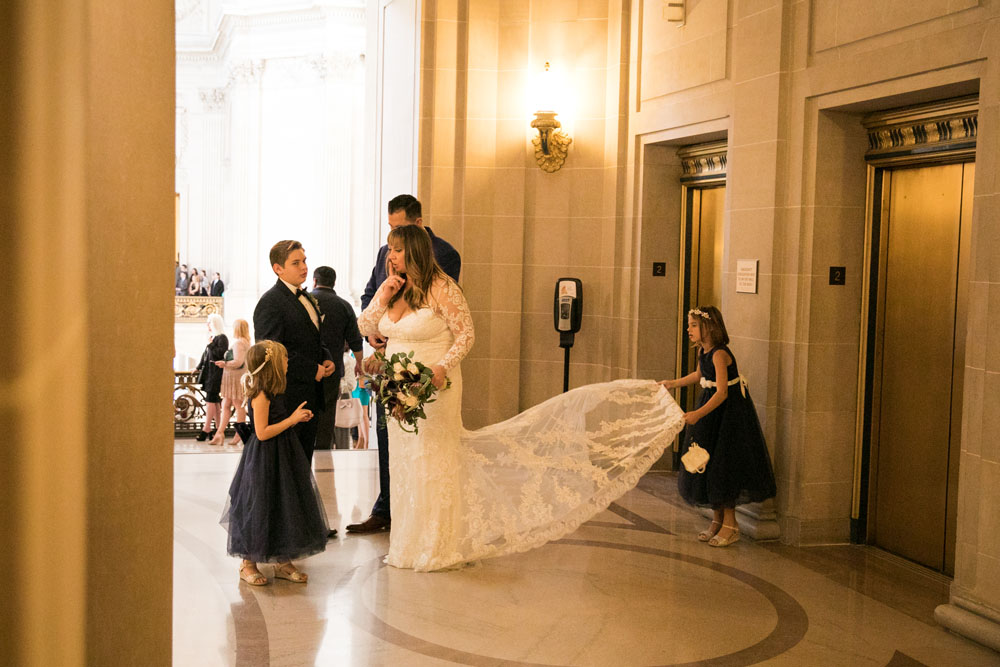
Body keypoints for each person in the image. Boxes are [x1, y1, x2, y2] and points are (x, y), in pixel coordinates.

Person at [356, 224, 685, 571]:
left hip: (435, 388)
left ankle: (437, 545)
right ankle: (408, 544)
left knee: (432, 460)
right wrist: (384, 294)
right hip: (398, 390)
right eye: (389, 250)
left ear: (415, 251)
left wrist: (441, 367)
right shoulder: (391, 289)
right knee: (405, 463)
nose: (389, 256)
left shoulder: (443, 288)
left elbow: (466, 335)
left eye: (396, 249)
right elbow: (365, 327)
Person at [347, 194, 461, 535]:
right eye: (390, 232)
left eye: (399, 232)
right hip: (390, 350)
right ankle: (388, 508)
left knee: (425, 443)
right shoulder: (386, 254)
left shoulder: (445, 255)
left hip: (425, 359)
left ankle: (425, 516)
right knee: (390, 436)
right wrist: (377, 335)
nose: (391, 251)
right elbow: (371, 293)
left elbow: (436, 307)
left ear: (418, 224)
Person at [658, 306, 777, 547]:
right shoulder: (704, 350)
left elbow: (722, 393)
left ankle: (731, 525)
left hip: (728, 413)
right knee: (706, 462)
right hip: (710, 408)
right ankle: (717, 520)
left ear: (708, 327)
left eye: (692, 325)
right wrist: (672, 383)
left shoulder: (720, 354)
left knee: (724, 464)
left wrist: (697, 414)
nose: (688, 329)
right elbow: (697, 375)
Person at [220, 340, 328, 586]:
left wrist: (295, 418)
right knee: (260, 503)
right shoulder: (261, 392)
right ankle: (248, 563)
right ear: (273, 365)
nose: (288, 362)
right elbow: (262, 432)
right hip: (265, 455)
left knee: (284, 503)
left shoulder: (277, 388)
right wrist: (292, 420)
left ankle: (282, 559)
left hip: (283, 452)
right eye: (285, 359)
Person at [253, 240, 337, 538]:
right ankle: (285, 531)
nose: (304, 267)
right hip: (286, 399)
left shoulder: (308, 298)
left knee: (303, 463)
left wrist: (325, 357)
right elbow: (272, 349)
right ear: (278, 269)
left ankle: (303, 525)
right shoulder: (270, 303)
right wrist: (309, 369)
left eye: (304, 261)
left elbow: (314, 339)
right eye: (296, 263)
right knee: (286, 468)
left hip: (310, 395)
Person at [310, 265, 363, 451]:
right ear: (334, 282)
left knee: (304, 409)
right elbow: (356, 341)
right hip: (332, 369)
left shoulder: (305, 301)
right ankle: (323, 450)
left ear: (314, 281)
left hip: (306, 368)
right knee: (327, 413)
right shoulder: (343, 306)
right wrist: (359, 364)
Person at [213, 318, 251, 446]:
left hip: (234, 378)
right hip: (234, 377)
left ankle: (238, 434)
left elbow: (238, 362)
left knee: (237, 404)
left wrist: (224, 363)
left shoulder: (239, 343)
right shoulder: (245, 342)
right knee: (226, 404)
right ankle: (220, 433)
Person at [195, 313, 228, 442]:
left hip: (216, 374)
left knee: (210, 402)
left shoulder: (222, 338)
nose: (207, 325)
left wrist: (211, 344)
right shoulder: (213, 338)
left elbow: (219, 354)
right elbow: (205, 356)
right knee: (215, 403)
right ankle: (218, 429)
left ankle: (206, 428)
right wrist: (197, 368)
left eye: (209, 323)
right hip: (209, 374)